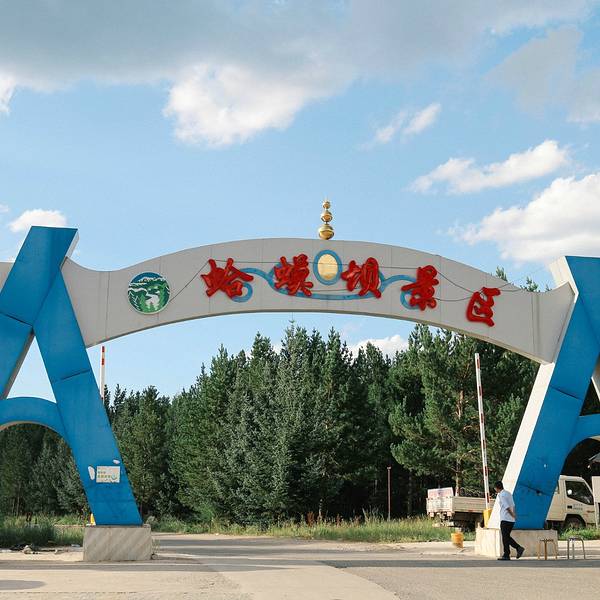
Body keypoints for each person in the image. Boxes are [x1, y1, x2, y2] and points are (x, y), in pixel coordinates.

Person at [494, 481, 524, 561]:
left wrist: (512, 515)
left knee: (505, 537)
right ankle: (515, 550)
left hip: (505, 518)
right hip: (511, 520)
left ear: (496, 488)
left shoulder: (501, 495)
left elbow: (506, 507)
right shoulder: (508, 493)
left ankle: (509, 553)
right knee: (506, 536)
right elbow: (513, 505)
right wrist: (514, 515)